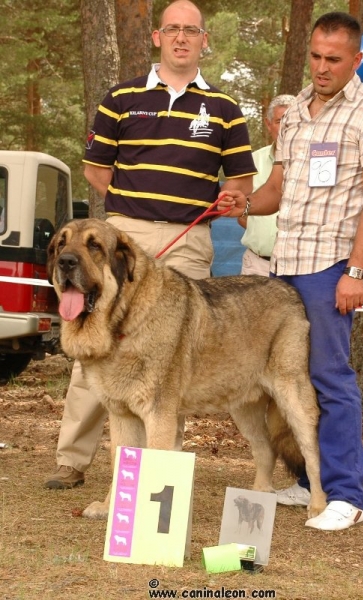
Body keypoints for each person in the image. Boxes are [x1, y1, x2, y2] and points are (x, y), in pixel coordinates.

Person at [44, 0, 256, 489]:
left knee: (169, 361)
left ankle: (157, 484)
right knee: (91, 341)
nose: (182, 38)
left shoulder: (224, 109)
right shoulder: (120, 96)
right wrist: (125, 219)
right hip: (120, 242)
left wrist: (233, 198)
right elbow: (97, 170)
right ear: (157, 37)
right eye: (172, 29)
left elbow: (241, 181)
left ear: (205, 40)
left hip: (188, 243)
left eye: (192, 30)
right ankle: (72, 459)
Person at [218, 12, 363, 531]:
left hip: (330, 268)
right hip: (282, 269)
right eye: (316, 56)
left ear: (356, 60)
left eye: (333, 59)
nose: (321, 68)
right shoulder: (295, 109)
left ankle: (348, 495)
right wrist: (244, 205)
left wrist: (356, 271)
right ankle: (307, 481)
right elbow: (278, 188)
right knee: (289, 384)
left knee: (330, 377)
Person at [238, 94, 295, 277]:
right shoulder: (252, 162)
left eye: (292, 121)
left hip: (300, 269)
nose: (287, 128)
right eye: (280, 121)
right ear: (268, 124)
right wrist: (263, 232)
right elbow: (241, 213)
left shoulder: (318, 162)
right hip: (257, 265)